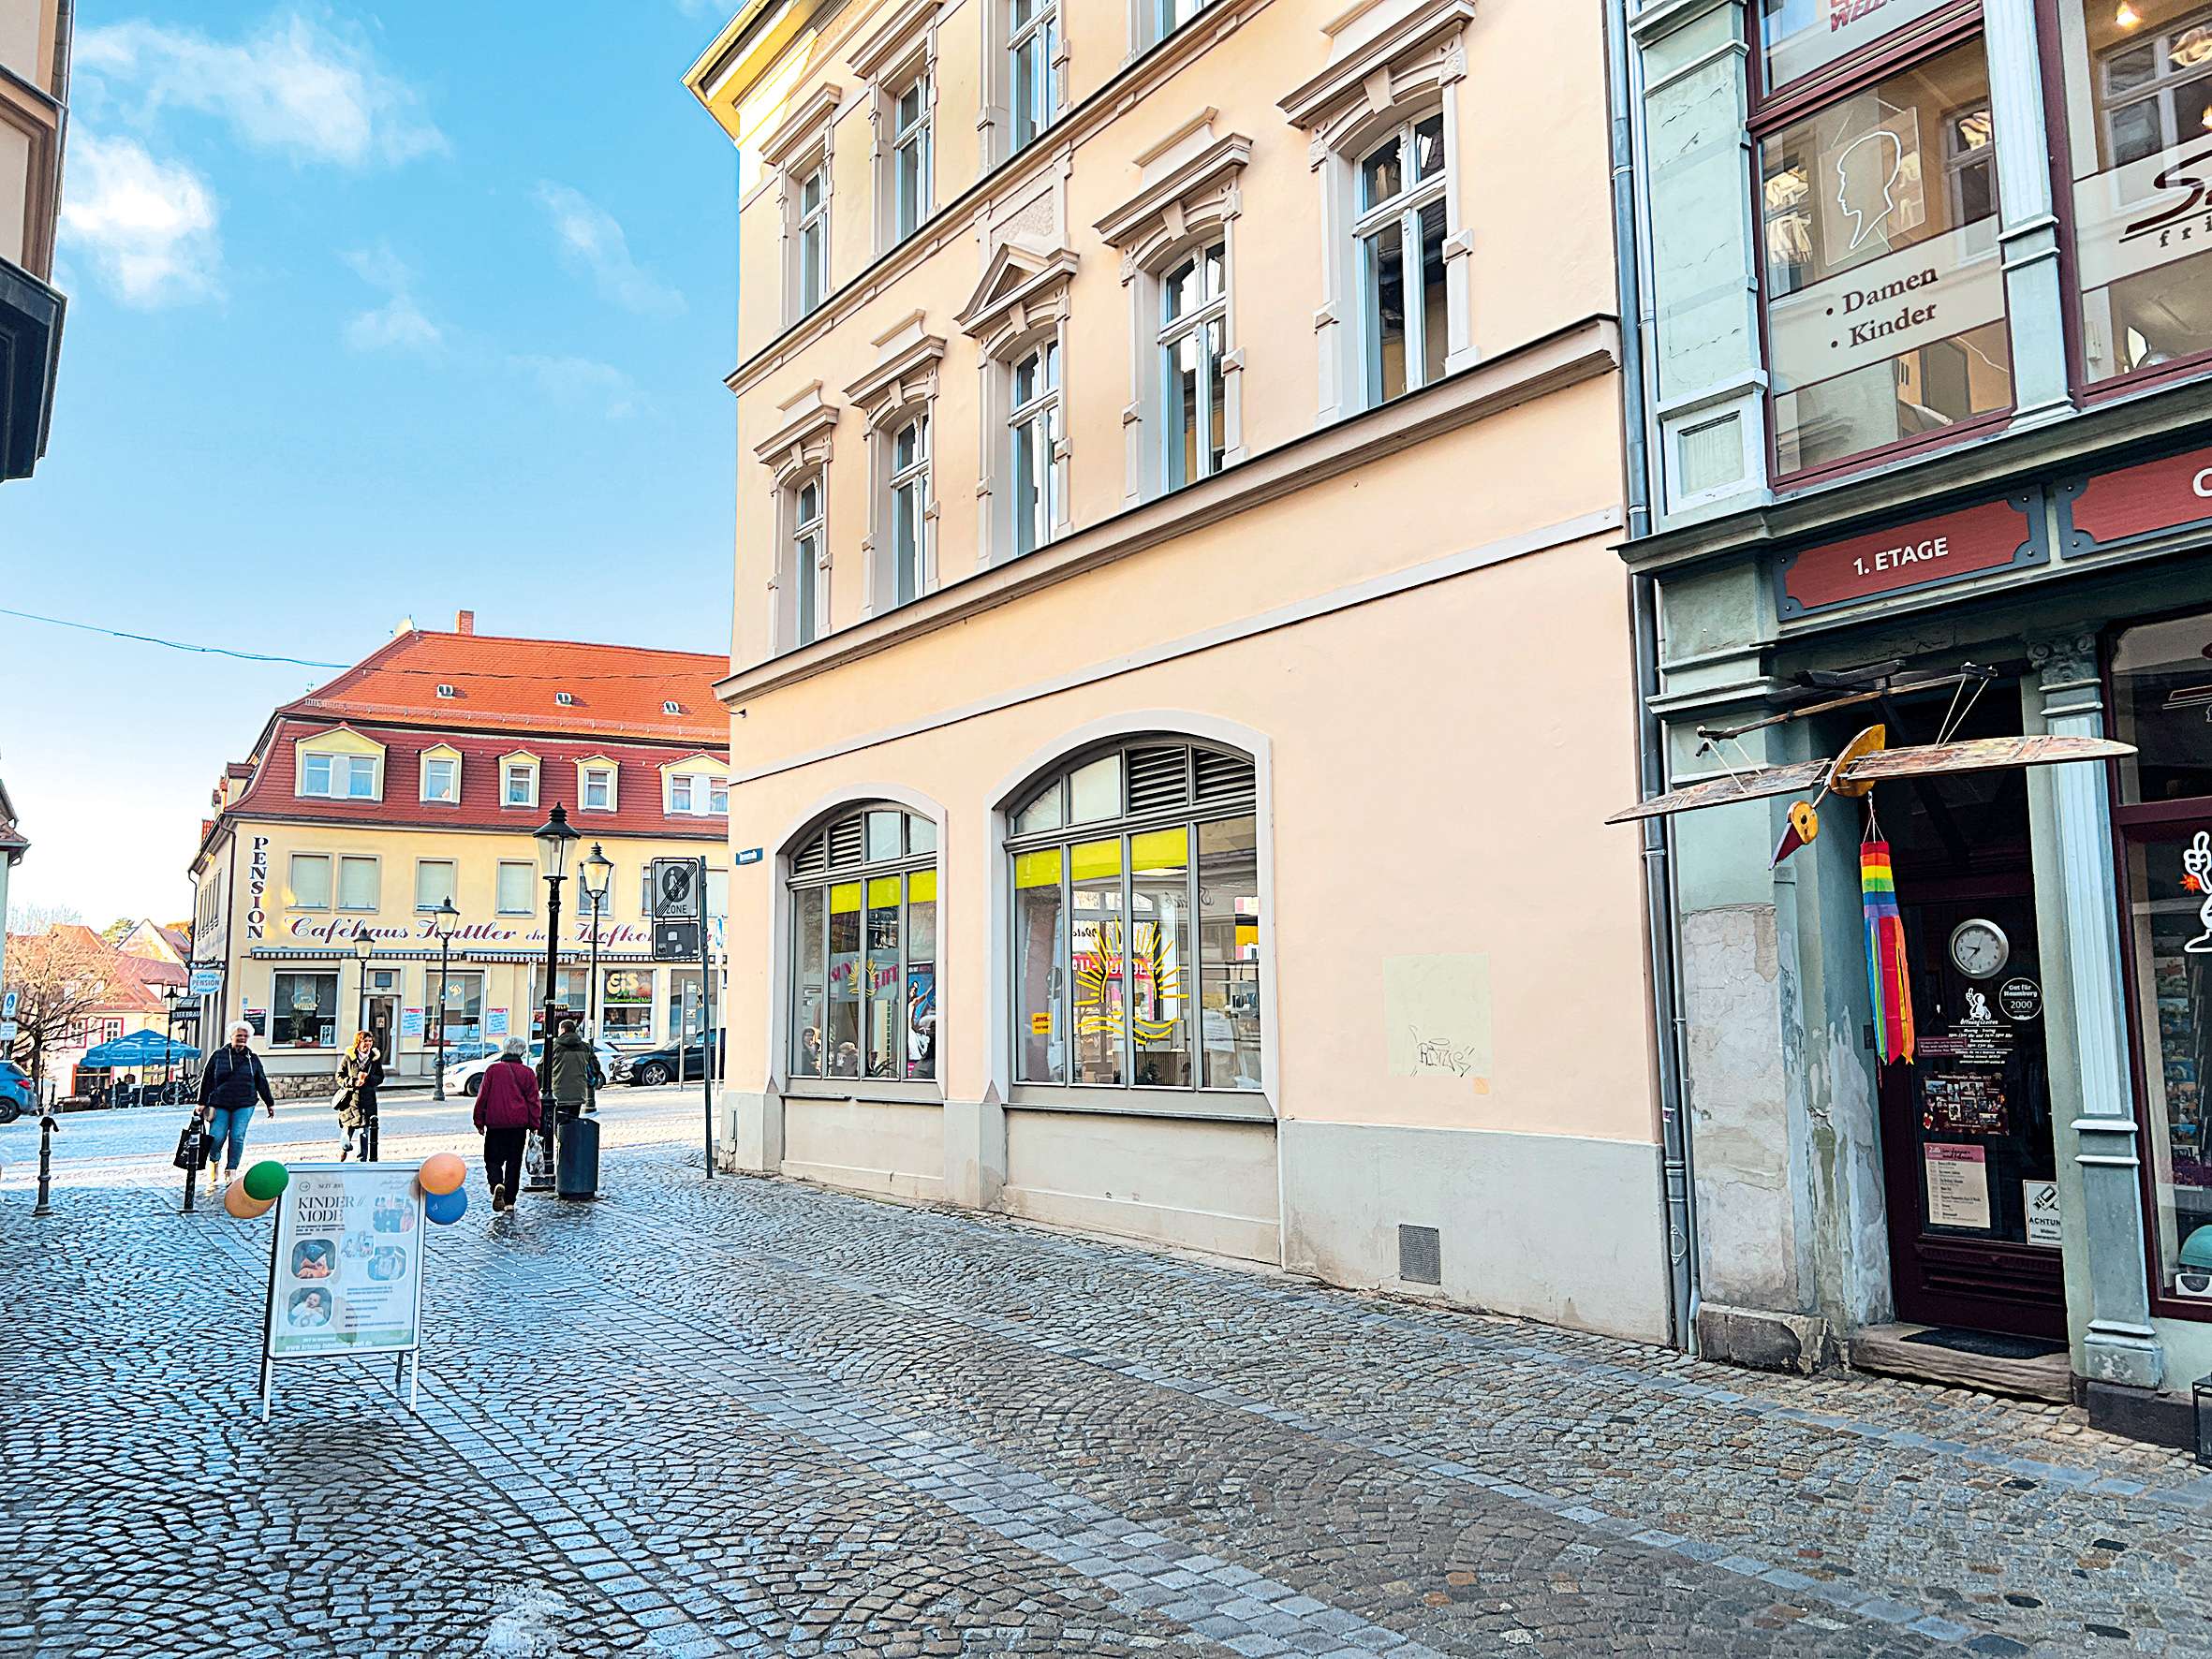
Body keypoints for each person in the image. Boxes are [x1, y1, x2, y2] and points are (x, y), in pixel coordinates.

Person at [197, 1020, 274, 1189]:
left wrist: (269, 1102)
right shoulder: (218, 1056)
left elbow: (261, 1081)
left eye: (245, 1036)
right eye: (239, 1035)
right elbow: (207, 1079)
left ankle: (231, 1170)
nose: (242, 1039)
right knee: (217, 1137)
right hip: (220, 1103)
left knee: (237, 1136)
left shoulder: (252, 1058)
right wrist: (201, 1103)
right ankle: (214, 1160)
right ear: (231, 1036)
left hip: (244, 1103)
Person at [472, 1035, 541, 1215]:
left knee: (492, 1160)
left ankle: (496, 1184)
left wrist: (479, 1121)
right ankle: (510, 1201)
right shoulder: (527, 1073)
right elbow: (534, 1100)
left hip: (495, 1124)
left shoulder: (493, 1070)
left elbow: (482, 1097)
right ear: (522, 1053)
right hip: (518, 1125)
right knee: (513, 1162)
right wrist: (535, 1123)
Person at [334, 1032, 383, 1162]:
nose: (368, 1044)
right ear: (358, 1043)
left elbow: (380, 1077)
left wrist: (368, 1079)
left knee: (364, 1133)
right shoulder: (349, 1057)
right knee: (347, 1133)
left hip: (368, 1101)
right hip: (350, 1101)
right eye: (365, 1041)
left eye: (370, 1041)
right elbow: (339, 1076)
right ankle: (343, 1149)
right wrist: (353, 1082)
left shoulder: (375, 1059)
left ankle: (361, 1162)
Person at [545, 1018, 601, 1122]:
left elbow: (542, 1069)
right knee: (573, 1122)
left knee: (559, 1123)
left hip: (558, 1092)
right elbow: (596, 1067)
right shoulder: (585, 1047)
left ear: (562, 1030)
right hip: (578, 1091)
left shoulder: (554, 1047)